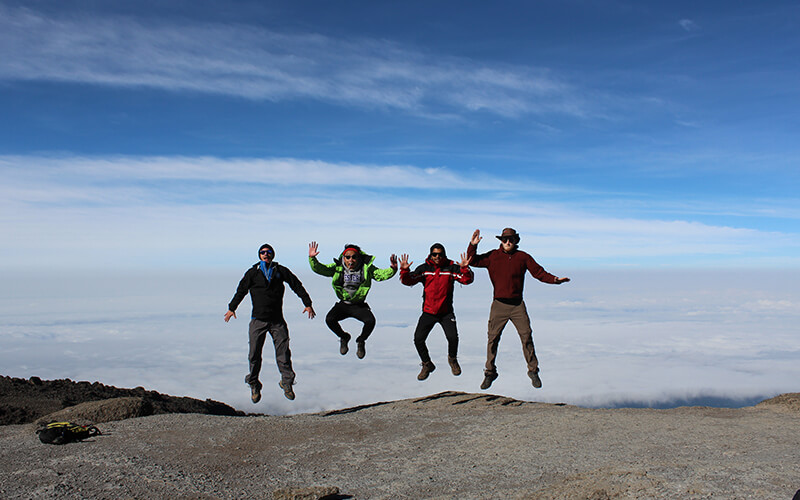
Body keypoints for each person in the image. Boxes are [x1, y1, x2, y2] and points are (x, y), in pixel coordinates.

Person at [467, 228, 570, 390]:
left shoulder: (523, 257)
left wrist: (556, 280)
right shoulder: (493, 256)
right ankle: (490, 372)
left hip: (517, 305)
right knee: (492, 339)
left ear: (516, 241)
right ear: (500, 240)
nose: (508, 242)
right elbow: (472, 261)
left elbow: (539, 273)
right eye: (505, 239)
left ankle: (533, 371)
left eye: (511, 239)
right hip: (499, 305)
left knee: (526, 336)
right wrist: (472, 245)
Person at [224, 243, 315, 402]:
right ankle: (254, 384)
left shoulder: (280, 271)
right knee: (254, 355)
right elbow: (241, 290)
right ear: (259, 255)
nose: (266, 254)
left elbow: (296, 285)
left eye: (269, 252)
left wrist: (307, 303)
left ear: (273, 254)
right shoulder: (253, 273)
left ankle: (286, 382)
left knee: (283, 353)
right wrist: (232, 308)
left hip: (277, 321)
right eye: (263, 252)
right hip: (257, 320)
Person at [309, 241, 397, 359]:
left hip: (359, 305)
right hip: (343, 304)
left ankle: (361, 341)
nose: (351, 260)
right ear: (343, 258)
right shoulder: (338, 267)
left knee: (370, 321)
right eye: (348, 257)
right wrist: (312, 259)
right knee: (330, 319)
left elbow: (380, 274)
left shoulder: (366, 268)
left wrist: (392, 269)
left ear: (359, 257)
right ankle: (344, 337)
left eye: (354, 257)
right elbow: (321, 269)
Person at [399, 244, 474, 381]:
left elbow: (467, 280)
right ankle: (427, 364)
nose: (437, 257)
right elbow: (409, 280)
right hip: (428, 312)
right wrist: (404, 271)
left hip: (446, 312)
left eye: (440, 254)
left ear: (444, 254)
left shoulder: (451, 268)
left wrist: (464, 268)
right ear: (430, 255)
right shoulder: (424, 269)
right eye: (434, 254)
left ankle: (452, 360)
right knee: (418, 339)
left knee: (453, 338)